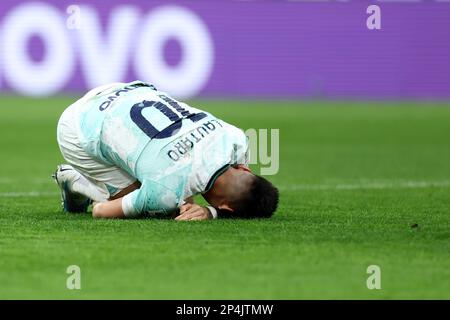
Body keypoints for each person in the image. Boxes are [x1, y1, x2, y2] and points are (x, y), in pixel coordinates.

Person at [53, 81, 279, 221]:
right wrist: (213, 213)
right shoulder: (166, 192)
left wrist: (210, 211)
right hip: (77, 127)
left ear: (245, 170)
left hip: (119, 90)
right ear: (226, 207)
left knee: (176, 195)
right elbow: (100, 212)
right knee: (170, 208)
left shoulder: (236, 138)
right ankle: (78, 182)